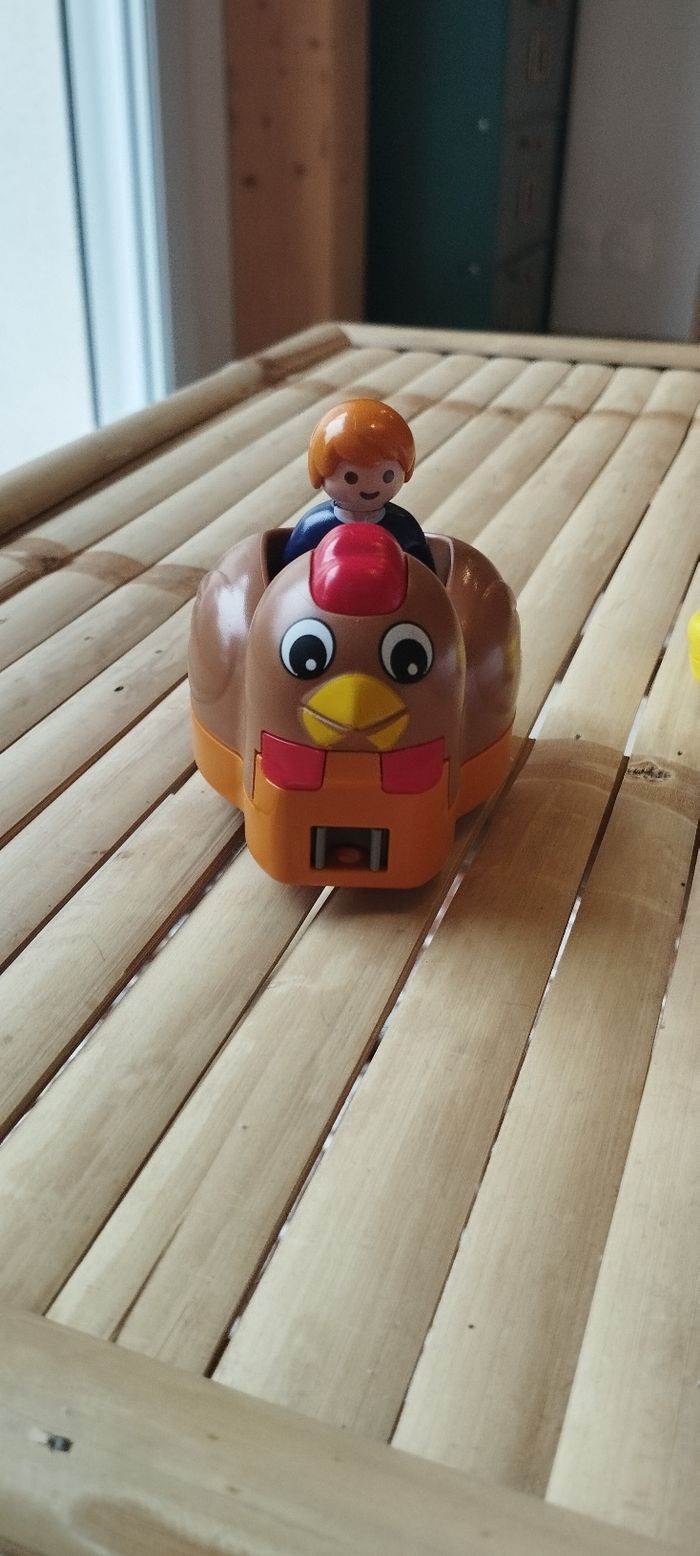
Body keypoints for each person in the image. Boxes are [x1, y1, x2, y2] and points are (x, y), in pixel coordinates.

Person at [281, 398, 435, 571]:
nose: (370, 486)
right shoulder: (314, 527)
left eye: (387, 476)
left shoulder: (403, 526)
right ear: (319, 470)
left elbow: (426, 572)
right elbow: (286, 572)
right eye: (351, 477)